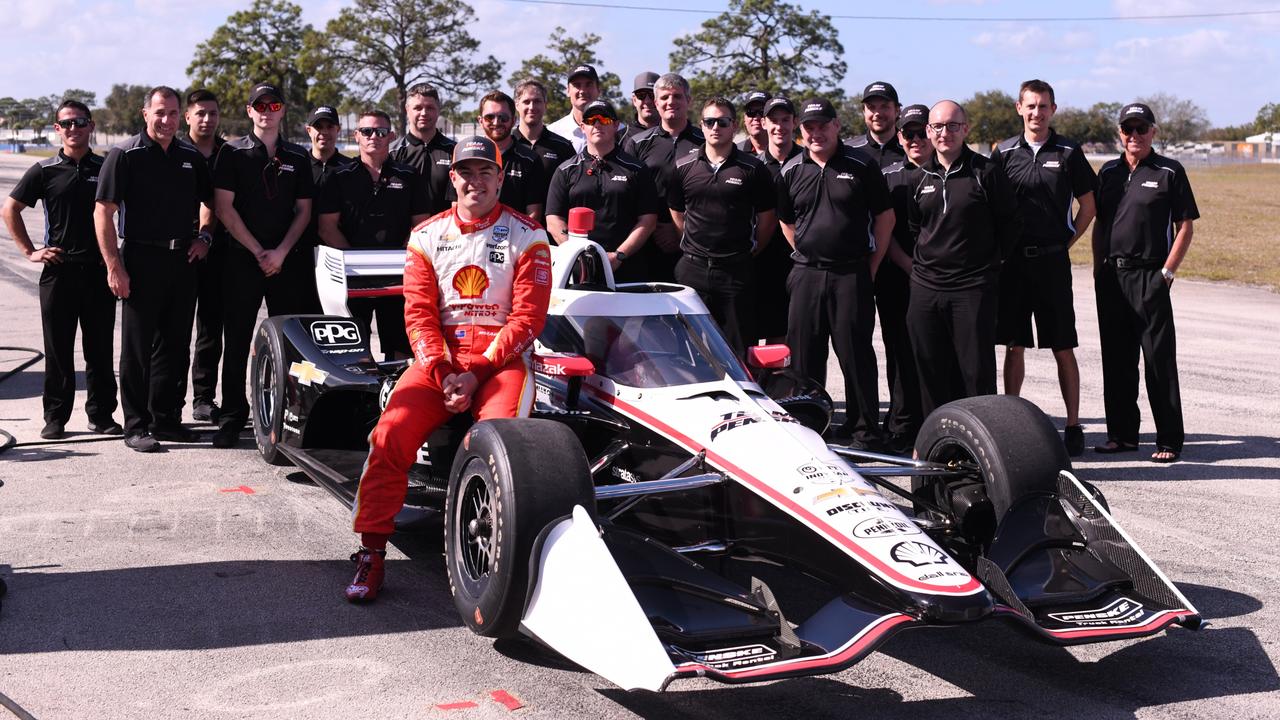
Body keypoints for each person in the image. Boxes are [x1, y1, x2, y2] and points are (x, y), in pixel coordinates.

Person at [344, 136, 553, 602]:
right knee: (389, 434)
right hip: (438, 358)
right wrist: (442, 373)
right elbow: (418, 314)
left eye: (485, 172)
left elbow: (528, 319)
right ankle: (371, 551)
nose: (475, 181)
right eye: (466, 172)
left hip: (501, 360)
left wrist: (476, 372)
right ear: (452, 178)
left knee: (503, 445)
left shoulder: (529, 235)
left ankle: (501, 557)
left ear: (500, 178)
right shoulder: (425, 237)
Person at [94, 86, 214, 452]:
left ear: (181, 116)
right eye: (160, 113)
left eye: (174, 113)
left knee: (175, 346)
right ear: (145, 114)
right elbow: (103, 211)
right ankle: (136, 425)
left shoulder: (191, 156)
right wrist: (114, 266)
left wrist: (205, 237)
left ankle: (166, 419)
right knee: (137, 347)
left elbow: (211, 202)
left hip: (182, 261)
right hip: (140, 260)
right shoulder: (125, 154)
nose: (167, 120)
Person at [776, 98, 894, 449]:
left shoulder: (861, 164)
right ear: (802, 130)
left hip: (850, 274)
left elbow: (885, 217)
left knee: (855, 354)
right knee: (804, 356)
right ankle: (809, 429)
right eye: (809, 127)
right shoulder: (791, 170)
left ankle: (864, 431)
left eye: (822, 126)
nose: (816, 133)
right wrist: (808, 249)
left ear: (836, 125)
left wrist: (870, 266)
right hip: (806, 274)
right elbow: (786, 221)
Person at [991, 79, 1098, 456]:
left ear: (1054, 109)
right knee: (1014, 346)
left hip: (1052, 262)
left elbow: (1088, 206)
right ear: (1019, 108)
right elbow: (992, 208)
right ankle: (1010, 423)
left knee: (1062, 346)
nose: (1037, 113)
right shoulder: (1002, 153)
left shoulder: (1069, 152)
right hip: (1014, 265)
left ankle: (1072, 424)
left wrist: (1065, 243)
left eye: (1044, 106)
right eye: (1031, 106)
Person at [3, 100, 121, 440]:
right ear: (58, 129)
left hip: (99, 272)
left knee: (99, 350)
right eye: (66, 123)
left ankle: (101, 415)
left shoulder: (107, 167)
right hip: (59, 272)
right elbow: (9, 210)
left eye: (80, 122)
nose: (74, 128)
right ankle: (55, 417)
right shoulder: (44, 170)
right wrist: (30, 251)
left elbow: (126, 210)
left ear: (91, 125)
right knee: (57, 350)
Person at [211, 82, 316, 449]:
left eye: (273, 106)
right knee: (237, 341)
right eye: (260, 106)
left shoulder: (298, 157)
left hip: (287, 261)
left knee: (290, 344)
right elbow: (224, 208)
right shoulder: (232, 153)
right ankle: (232, 416)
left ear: (282, 111)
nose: (266, 111)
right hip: (243, 260)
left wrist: (281, 253)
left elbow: (304, 211)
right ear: (249, 110)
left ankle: (289, 415)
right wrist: (259, 251)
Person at [1092, 103, 1198, 464]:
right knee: (1117, 360)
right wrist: (1097, 268)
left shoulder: (1169, 171)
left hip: (1151, 275)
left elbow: (1185, 226)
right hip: (1112, 276)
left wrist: (1166, 273)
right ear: (1119, 133)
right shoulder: (1107, 172)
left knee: (1158, 361)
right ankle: (1121, 436)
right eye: (1127, 129)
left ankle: (1169, 438)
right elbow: (1101, 224)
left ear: (1153, 131)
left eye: (1140, 128)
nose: (1133, 136)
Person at [906, 100, 1020, 418]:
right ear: (929, 131)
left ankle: (982, 447)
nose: (945, 133)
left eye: (953, 126)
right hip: (926, 288)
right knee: (929, 368)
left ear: (965, 129)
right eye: (938, 126)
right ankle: (936, 448)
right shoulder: (918, 178)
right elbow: (916, 227)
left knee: (976, 372)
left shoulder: (986, 173)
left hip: (971, 287)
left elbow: (1010, 226)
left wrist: (988, 265)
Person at [668, 97, 777, 356]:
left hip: (735, 272)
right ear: (701, 126)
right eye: (709, 121)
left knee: (737, 351)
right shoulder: (683, 167)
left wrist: (750, 250)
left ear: (733, 125)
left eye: (723, 121)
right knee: (689, 351)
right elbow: (676, 212)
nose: (716, 127)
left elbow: (767, 217)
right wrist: (692, 241)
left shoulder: (753, 169)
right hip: (692, 270)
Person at [318, 110, 430, 360]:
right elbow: (326, 227)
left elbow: (421, 226)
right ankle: (361, 396)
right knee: (353, 346)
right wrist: (354, 261)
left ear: (391, 135)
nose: (374, 137)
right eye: (367, 131)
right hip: (350, 274)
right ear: (356, 135)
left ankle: (399, 394)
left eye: (380, 132)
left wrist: (401, 257)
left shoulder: (409, 176)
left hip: (399, 274)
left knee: (400, 344)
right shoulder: (338, 177)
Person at [545, 101, 659, 283]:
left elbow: (648, 220)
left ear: (615, 125)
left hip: (626, 267)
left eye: (604, 119)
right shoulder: (565, 170)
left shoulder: (637, 169)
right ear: (583, 127)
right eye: (591, 120)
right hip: (577, 269)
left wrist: (619, 255)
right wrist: (576, 254)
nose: (597, 124)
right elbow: (553, 220)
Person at [877, 104, 930, 453]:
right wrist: (906, 263)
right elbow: (884, 229)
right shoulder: (890, 176)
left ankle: (934, 419)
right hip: (897, 275)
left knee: (934, 353)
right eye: (908, 134)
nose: (915, 139)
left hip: (938, 278)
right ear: (900, 137)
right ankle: (901, 422)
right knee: (899, 351)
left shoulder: (947, 173)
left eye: (921, 132)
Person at [624, 72, 704, 282]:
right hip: (646, 242)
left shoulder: (705, 142)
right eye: (665, 98)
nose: (671, 102)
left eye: (677, 96)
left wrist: (679, 231)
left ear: (688, 101)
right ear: (657, 103)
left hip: (695, 244)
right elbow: (629, 194)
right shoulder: (637, 143)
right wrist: (653, 229)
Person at [178, 89, 227, 424]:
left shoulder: (231, 153)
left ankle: (204, 398)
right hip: (180, 253)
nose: (206, 120)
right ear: (188, 117)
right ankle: (168, 401)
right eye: (200, 113)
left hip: (222, 252)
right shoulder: (173, 151)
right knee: (175, 332)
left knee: (211, 331)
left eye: (212, 113)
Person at [750, 96, 802, 346]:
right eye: (773, 120)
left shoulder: (809, 162)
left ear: (795, 123)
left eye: (785, 120)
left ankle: (792, 387)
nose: (779, 126)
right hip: (760, 263)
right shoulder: (752, 167)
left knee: (795, 343)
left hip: (801, 263)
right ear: (764, 123)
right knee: (756, 342)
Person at [470, 91, 546, 222]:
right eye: (489, 117)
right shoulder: (467, 156)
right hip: (474, 236)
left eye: (503, 118)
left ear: (513, 120)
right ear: (480, 121)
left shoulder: (530, 159)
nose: (496, 122)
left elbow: (534, 212)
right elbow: (458, 204)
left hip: (516, 238)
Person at [389, 84, 455, 215]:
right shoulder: (392, 152)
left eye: (430, 108)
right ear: (407, 110)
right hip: (406, 233)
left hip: (445, 232)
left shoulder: (455, 151)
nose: (424, 113)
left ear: (438, 110)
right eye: (418, 108)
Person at [304, 105, 357, 250]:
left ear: (338, 130)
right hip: (299, 251)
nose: (324, 132)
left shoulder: (351, 168)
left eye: (330, 126)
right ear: (309, 130)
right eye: (318, 127)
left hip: (339, 250)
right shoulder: (298, 166)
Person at [547, 65, 626, 152]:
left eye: (589, 84)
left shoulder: (621, 132)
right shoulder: (553, 132)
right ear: (568, 91)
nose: (583, 91)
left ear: (598, 90)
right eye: (577, 85)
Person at [512, 79, 577, 184]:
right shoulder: (507, 143)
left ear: (545, 105)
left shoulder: (563, 146)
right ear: (517, 105)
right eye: (526, 102)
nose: (531, 107)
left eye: (537, 101)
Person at [846, 82, 906, 169]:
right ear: (864, 112)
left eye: (884, 106)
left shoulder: (910, 150)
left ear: (897, 111)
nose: (877, 113)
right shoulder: (848, 150)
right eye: (871, 107)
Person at [628, 71, 661, 139]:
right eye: (641, 95)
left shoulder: (674, 133)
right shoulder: (620, 137)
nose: (647, 101)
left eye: (652, 95)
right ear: (634, 100)